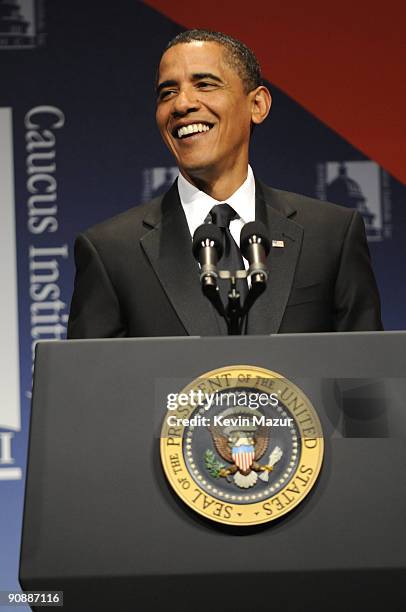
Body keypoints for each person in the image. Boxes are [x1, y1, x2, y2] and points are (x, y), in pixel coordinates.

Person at [67, 30, 382, 339]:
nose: (181, 105)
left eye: (204, 84)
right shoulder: (111, 252)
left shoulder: (330, 235)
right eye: (167, 93)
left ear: (257, 105)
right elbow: (91, 386)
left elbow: (368, 378)